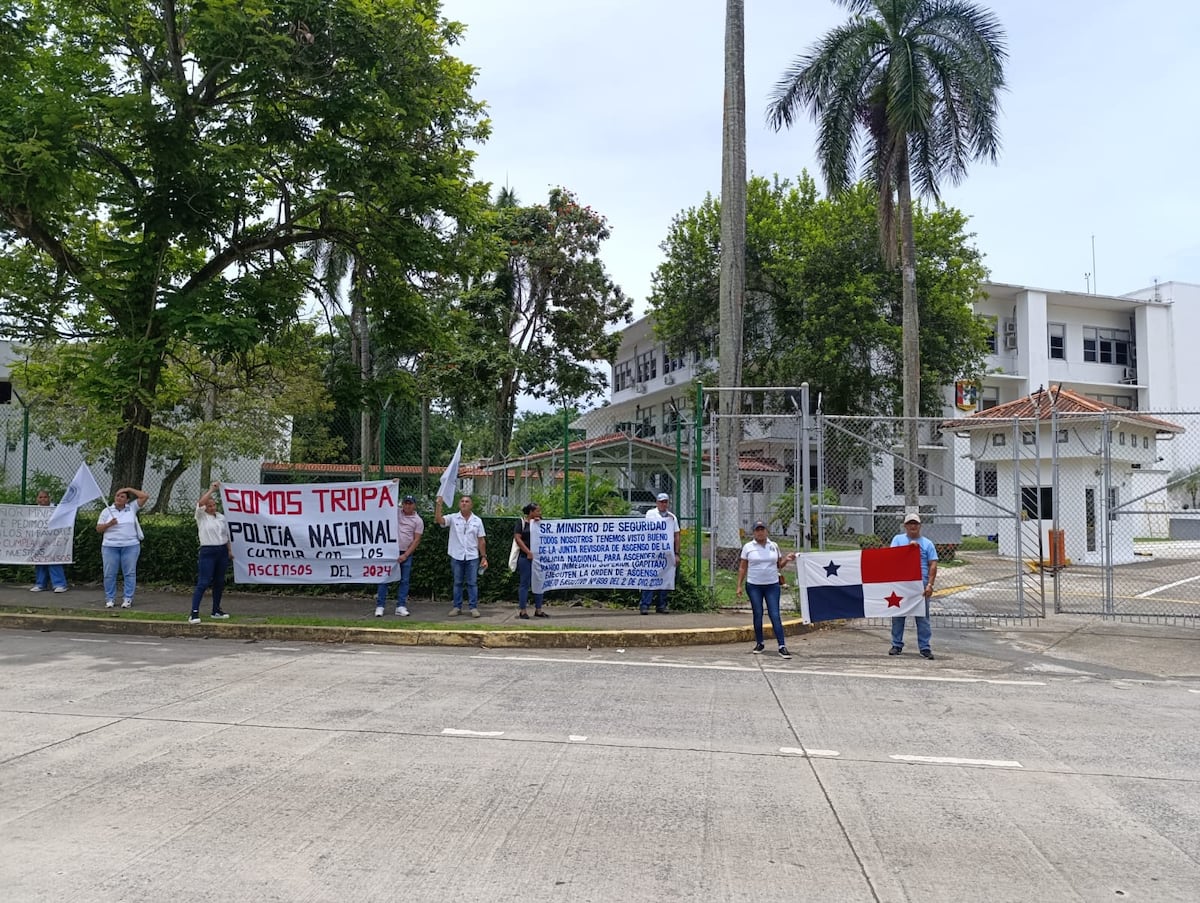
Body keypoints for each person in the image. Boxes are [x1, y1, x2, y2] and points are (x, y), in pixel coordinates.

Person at [736, 520, 797, 658]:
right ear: (754, 532)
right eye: (757, 530)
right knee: (758, 613)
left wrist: (787, 559)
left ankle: (782, 646)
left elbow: (779, 565)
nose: (760, 532)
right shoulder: (748, 547)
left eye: (762, 529)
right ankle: (760, 643)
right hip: (754, 585)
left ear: (766, 531)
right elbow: (742, 567)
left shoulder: (773, 546)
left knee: (774, 614)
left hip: (772, 585)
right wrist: (739, 585)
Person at [889, 513, 939, 659]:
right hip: (902, 584)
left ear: (920, 526)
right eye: (910, 523)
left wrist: (930, 584)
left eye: (915, 523)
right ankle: (896, 645)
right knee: (898, 615)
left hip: (920, 586)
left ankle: (925, 647)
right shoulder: (897, 540)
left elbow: (933, 564)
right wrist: (908, 549)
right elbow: (892, 558)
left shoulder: (927, 544)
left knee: (922, 617)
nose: (913, 526)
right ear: (905, 525)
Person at [96, 486, 150, 609]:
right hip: (110, 546)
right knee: (109, 573)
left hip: (130, 545)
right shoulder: (106, 511)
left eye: (122, 496)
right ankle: (110, 598)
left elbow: (144, 496)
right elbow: (98, 528)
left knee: (129, 573)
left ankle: (128, 598)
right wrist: (109, 524)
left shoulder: (131, 508)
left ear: (127, 500)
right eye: (117, 496)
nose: (119, 498)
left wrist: (128, 489)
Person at [434, 494, 487, 618]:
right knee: (457, 583)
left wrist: (484, 557)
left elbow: (481, 540)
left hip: (472, 557)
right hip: (457, 556)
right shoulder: (453, 518)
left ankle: (473, 608)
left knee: (472, 583)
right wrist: (439, 505)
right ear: (459, 504)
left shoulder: (477, 521)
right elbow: (439, 520)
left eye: (467, 501)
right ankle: (457, 607)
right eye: (462, 501)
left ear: (471, 505)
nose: (464, 503)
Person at [189, 482, 232, 624]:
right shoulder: (201, 516)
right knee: (204, 581)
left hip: (221, 550)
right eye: (209, 506)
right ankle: (194, 612)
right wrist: (212, 490)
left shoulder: (221, 517)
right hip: (208, 551)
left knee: (219, 581)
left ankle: (216, 610)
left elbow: (226, 536)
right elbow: (200, 503)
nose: (212, 508)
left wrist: (229, 550)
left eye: (214, 505)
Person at [375, 494, 424, 618]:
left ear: (414, 505)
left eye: (410, 503)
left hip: (405, 553)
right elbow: (384, 505)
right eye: (405, 503)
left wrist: (406, 555)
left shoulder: (418, 520)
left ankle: (401, 606)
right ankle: (380, 605)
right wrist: (392, 486)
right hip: (390, 551)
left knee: (404, 580)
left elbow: (416, 540)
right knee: (384, 578)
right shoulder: (395, 512)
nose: (407, 506)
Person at [640, 492, 681, 614]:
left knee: (665, 578)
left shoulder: (672, 517)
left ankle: (661, 605)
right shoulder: (650, 514)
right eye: (661, 502)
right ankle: (645, 605)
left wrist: (677, 553)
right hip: (652, 552)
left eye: (665, 502)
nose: (663, 504)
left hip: (667, 554)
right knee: (649, 578)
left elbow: (676, 535)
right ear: (657, 503)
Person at [513, 503, 548, 619]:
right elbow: (518, 538)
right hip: (525, 558)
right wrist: (528, 552)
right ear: (531, 512)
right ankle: (523, 610)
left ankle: (538, 609)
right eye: (537, 511)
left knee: (539, 582)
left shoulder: (540, 522)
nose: (540, 513)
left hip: (538, 558)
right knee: (525, 583)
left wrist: (539, 523)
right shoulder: (521, 523)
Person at [30, 489, 68, 593]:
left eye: (45, 497)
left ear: (49, 498)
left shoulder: (56, 509)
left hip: (54, 541)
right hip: (40, 541)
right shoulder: (33, 510)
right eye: (40, 497)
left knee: (54, 561)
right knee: (40, 562)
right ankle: (40, 584)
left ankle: (60, 584)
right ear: (37, 499)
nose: (43, 499)